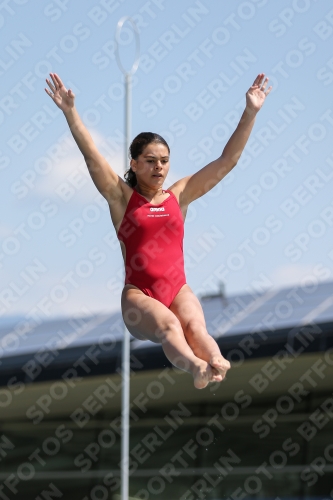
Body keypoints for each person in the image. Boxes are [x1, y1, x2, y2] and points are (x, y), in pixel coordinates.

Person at [45, 72, 272, 389]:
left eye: (164, 161)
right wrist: (71, 113)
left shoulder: (180, 195)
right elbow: (91, 155)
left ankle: (215, 361)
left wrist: (250, 112)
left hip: (177, 287)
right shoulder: (121, 198)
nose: (159, 167)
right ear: (134, 164)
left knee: (195, 327)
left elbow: (227, 160)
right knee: (169, 326)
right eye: (150, 161)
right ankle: (196, 367)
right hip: (138, 296)